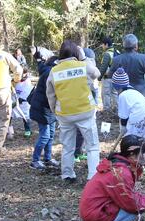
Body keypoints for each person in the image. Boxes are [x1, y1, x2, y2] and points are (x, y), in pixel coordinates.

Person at [46, 40, 101, 183]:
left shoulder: (54, 71)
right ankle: (93, 175)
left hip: (64, 113)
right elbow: (97, 73)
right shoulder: (83, 66)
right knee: (92, 145)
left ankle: (67, 174)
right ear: (77, 53)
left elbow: (50, 95)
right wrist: (84, 58)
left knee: (68, 146)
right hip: (85, 111)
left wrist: (55, 111)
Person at [0, 35, 23, 155]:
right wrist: (15, 81)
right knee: (4, 118)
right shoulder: (4, 55)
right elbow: (18, 70)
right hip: (3, 91)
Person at [29, 56, 60, 170]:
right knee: (45, 136)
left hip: (50, 109)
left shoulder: (47, 69)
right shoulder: (50, 73)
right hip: (42, 109)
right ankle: (35, 160)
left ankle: (48, 158)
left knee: (50, 134)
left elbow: (40, 65)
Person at [112, 68, 145, 144]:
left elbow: (123, 117)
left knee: (133, 140)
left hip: (138, 118)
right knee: (144, 140)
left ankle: (135, 152)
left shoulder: (123, 95)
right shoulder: (134, 91)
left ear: (117, 87)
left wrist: (123, 128)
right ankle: (143, 151)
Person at [109, 34, 145, 99]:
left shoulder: (116, 59)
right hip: (141, 93)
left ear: (124, 46)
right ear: (136, 46)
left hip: (123, 94)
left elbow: (110, 75)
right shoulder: (143, 58)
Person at [12, 67, 33, 138]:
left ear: (25, 73)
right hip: (14, 100)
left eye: (21, 74)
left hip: (23, 102)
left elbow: (26, 92)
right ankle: (9, 130)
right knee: (9, 116)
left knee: (25, 117)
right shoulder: (15, 80)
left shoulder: (27, 81)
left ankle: (28, 130)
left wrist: (19, 100)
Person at [98, 37, 119, 110]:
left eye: (102, 44)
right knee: (115, 94)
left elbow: (103, 68)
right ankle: (116, 110)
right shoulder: (117, 51)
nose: (102, 46)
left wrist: (99, 77)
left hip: (108, 78)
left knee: (106, 94)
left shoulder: (107, 54)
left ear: (106, 44)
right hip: (117, 77)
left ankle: (107, 112)